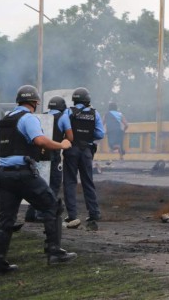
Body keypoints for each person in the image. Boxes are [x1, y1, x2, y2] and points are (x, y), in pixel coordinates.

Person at [0, 85, 77, 273]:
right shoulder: (28, 118)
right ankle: (54, 251)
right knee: (52, 206)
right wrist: (61, 144)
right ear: (35, 102)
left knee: (5, 219)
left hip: (3, 174)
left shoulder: (7, 117)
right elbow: (40, 141)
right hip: (22, 174)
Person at [60, 87, 105, 230]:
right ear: (87, 100)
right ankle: (94, 213)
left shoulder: (68, 112)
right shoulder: (94, 114)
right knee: (88, 181)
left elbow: (61, 128)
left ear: (74, 100)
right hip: (86, 150)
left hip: (71, 150)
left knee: (70, 182)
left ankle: (72, 215)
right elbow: (100, 134)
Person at [25, 96, 70, 223]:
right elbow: (70, 136)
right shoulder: (63, 117)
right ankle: (44, 214)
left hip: (39, 154)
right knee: (53, 184)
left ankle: (31, 212)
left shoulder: (41, 116)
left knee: (39, 183)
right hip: (54, 153)